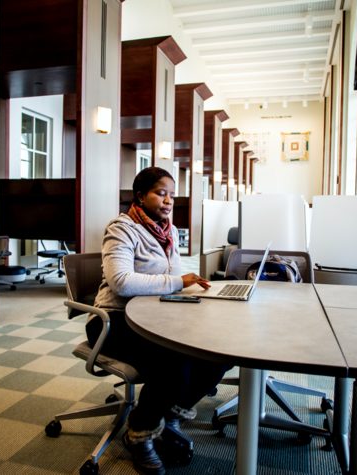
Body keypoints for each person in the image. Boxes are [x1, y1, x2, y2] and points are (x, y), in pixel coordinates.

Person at [90, 167, 228, 475]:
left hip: (158, 316)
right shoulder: (121, 228)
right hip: (115, 319)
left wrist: (194, 291)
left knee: (216, 354)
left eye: (172, 195)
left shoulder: (168, 229)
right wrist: (178, 282)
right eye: (160, 193)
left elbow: (170, 279)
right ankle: (139, 433)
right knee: (174, 369)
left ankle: (167, 415)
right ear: (141, 196)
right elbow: (122, 283)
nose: (168, 201)